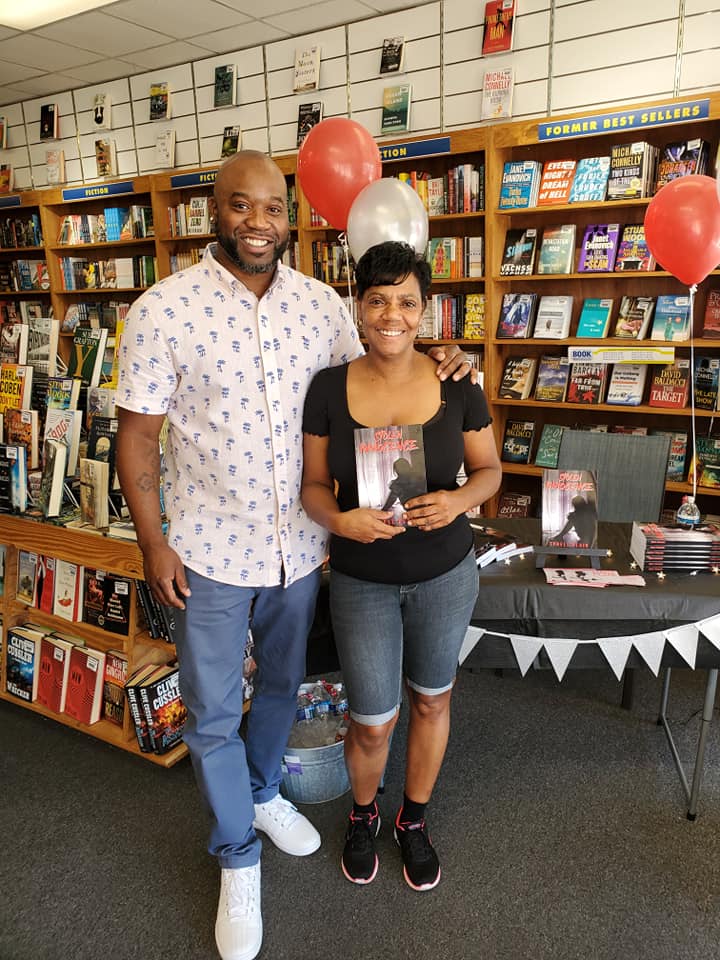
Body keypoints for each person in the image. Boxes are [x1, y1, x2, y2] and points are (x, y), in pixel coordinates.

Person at [115, 152, 472, 960]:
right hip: (206, 549)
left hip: (302, 550)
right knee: (211, 711)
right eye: (240, 207)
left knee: (282, 684)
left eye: (272, 208)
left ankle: (264, 791)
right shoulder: (162, 310)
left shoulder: (322, 308)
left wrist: (452, 361)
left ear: (290, 217)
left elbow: (388, 350)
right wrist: (152, 539)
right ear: (215, 213)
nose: (258, 222)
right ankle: (237, 857)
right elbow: (135, 435)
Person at [301, 241, 502, 892]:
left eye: (407, 301)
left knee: (431, 702)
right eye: (378, 299)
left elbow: (492, 472)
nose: (392, 314)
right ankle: (364, 814)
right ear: (358, 307)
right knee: (371, 718)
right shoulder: (328, 388)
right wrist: (339, 520)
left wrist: (457, 500)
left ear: (425, 310)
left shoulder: (457, 381)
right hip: (362, 579)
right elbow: (311, 487)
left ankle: (412, 820)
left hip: (445, 573)